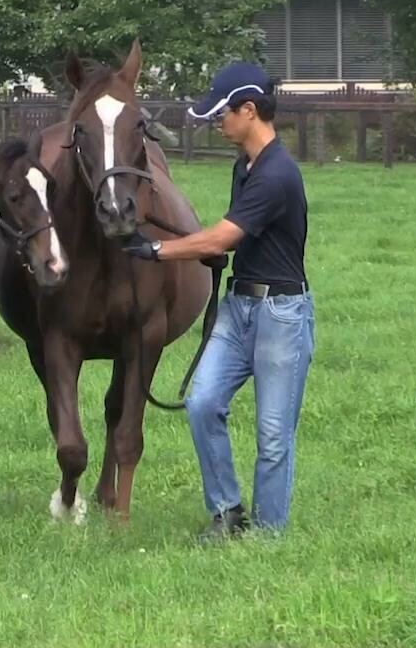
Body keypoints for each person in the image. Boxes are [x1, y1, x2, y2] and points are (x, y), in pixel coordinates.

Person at [120, 60, 315, 541]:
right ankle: (227, 512)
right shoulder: (244, 166)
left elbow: (218, 239)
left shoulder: (276, 174)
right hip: (240, 307)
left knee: (273, 435)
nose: (217, 122)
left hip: (280, 315)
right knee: (203, 402)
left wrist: (155, 250)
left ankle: (268, 536)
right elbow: (238, 237)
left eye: (222, 113)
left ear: (249, 110)